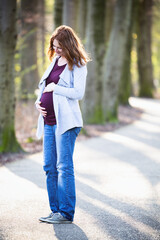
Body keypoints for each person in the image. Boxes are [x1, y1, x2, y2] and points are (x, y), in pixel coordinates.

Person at [35, 25, 90, 224]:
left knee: (63, 166)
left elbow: (78, 93)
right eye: (54, 46)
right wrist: (38, 104)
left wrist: (56, 88)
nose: (56, 50)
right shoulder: (54, 62)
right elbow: (44, 88)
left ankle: (66, 213)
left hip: (66, 123)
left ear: (68, 44)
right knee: (49, 166)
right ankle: (55, 211)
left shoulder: (78, 63)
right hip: (48, 121)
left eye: (59, 47)